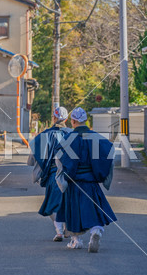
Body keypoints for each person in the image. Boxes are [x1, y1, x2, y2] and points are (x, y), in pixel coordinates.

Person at [55, 107, 116, 253]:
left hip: (74, 182)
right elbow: (109, 151)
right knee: (94, 210)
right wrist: (101, 174)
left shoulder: (68, 139)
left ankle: (76, 241)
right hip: (91, 181)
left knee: (74, 212)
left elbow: (60, 160)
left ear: (73, 121)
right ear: (85, 120)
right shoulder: (97, 138)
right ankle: (96, 231)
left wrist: (62, 177)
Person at [27, 107, 72, 241]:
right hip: (71, 174)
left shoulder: (43, 135)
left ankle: (59, 231)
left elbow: (32, 159)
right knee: (69, 201)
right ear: (67, 119)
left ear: (53, 118)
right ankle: (68, 228)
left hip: (53, 173)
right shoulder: (73, 134)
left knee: (52, 203)